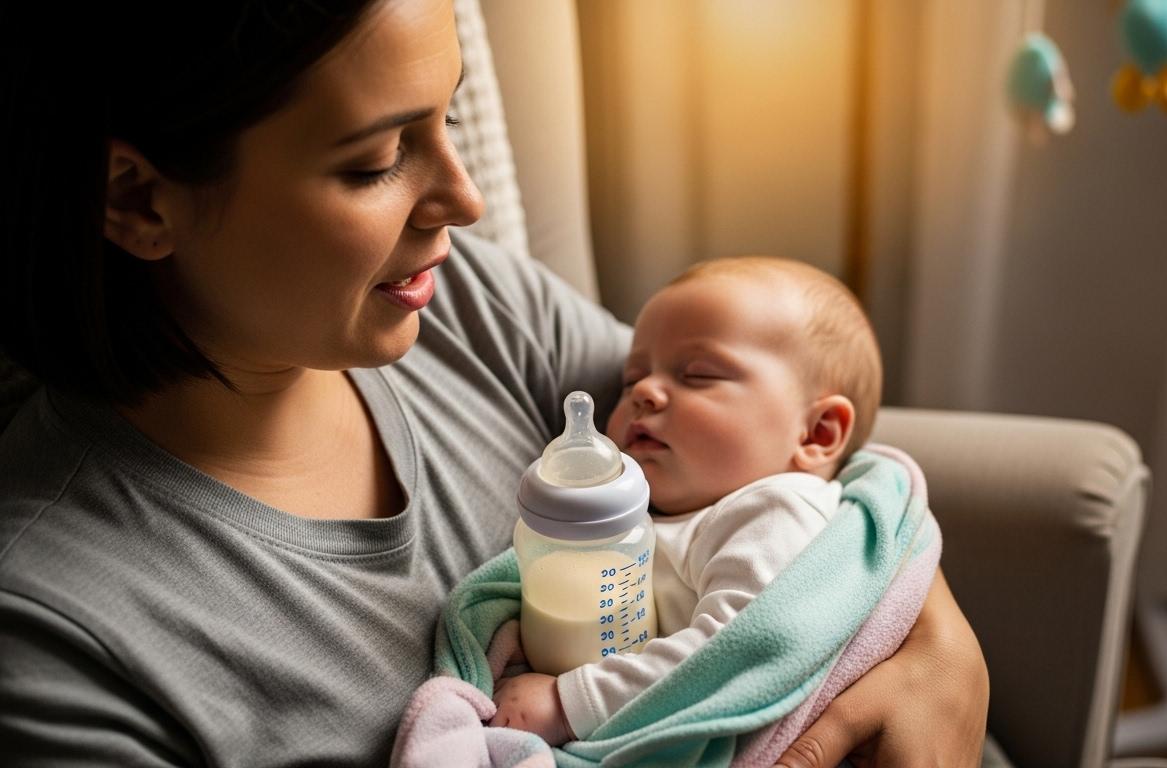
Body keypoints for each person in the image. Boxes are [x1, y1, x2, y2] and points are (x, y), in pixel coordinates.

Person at [0, 1, 988, 766]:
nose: (465, 200)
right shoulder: (58, 639)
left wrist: (945, 652)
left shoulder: (458, 301)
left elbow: (781, 460)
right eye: (378, 159)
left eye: (450, 117)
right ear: (137, 198)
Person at [488, 256, 885, 746]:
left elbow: (732, 652)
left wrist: (568, 704)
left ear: (817, 433)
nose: (644, 391)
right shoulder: (684, 509)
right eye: (631, 379)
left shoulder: (774, 511)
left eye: (698, 374)